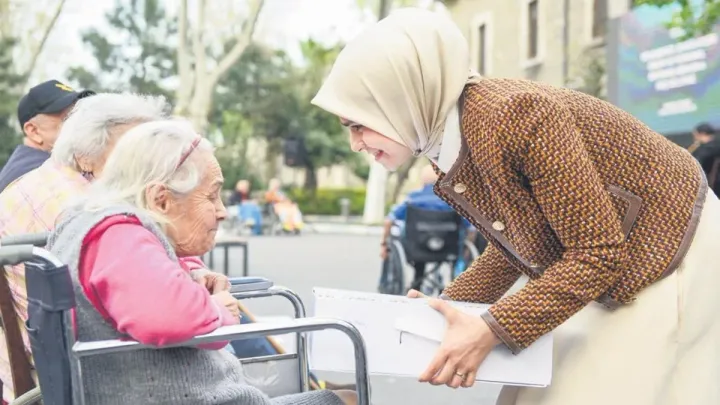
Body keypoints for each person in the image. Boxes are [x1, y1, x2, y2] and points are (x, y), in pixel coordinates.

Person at [311, 8, 720, 405]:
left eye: (358, 124)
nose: (355, 143)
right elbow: (516, 243)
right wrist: (446, 311)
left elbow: (598, 253)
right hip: (619, 259)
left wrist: (490, 329)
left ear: (398, 98)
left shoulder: (514, 116)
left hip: (673, 251)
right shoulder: (452, 138)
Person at [46, 119, 356, 405]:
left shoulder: (87, 220)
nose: (222, 211)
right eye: (211, 196)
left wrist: (189, 277)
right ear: (161, 199)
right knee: (348, 397)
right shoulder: (119, 235)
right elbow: (165, 316)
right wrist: (221, 308)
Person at [0, 92, 171, 403]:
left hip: (46, 361)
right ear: (87, 154)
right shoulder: (88, 209)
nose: (150, 162)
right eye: (137, 149)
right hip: (98, 367)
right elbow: (156, 307)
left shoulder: (36, 182)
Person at [382, 164, 475, 291]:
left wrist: (383, 244)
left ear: (422, 181)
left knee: (413, 241)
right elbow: (471, 228)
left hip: (417, 249)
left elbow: (389, 221)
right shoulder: (453, 200)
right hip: (449, 249)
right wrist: (466, 251)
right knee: (459, 244)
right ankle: (454, 285)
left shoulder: (412, 199)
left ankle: (417, 281)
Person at [0, 80, 95, 192]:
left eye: (79, 115)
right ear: (33, 131)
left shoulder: (28, 165)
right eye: (68, 117)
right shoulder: (36, 174)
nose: (79, 124)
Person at [690, 122, 720, 194]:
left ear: (702, 134)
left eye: (695, 135)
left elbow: (696, 165)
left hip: (712, 186)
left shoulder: (702, 150)